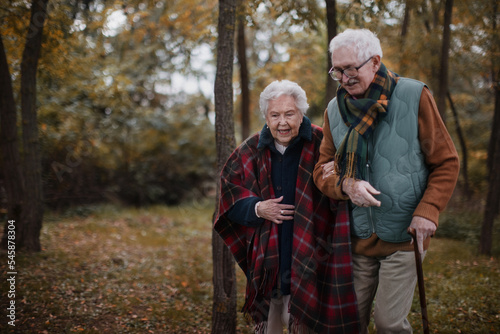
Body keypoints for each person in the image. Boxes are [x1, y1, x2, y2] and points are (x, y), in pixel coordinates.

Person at [313, 29, 459, 333]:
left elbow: (446, 161)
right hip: (357, 237)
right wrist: (347, 186)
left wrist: (428, 210)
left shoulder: (413, 95)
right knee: (347, 323)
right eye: (337, 70)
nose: (343, 78)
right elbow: (321, 171)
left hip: (404, 235)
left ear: (375, 62)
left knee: (389, 324)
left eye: (350, 68)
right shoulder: (333, 111)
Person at [214, 80, 360, 334]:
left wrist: (338, 170)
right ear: (266, 117)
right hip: (267, 260)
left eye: (289, 114)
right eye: (275, 115)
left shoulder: (321, 141)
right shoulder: (249, 149)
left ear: (301, 112)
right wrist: (258, 208)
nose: (282, 122)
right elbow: (228, 201)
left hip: (313, 252)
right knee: (270, 323)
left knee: (303, 323)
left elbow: (345, 180)